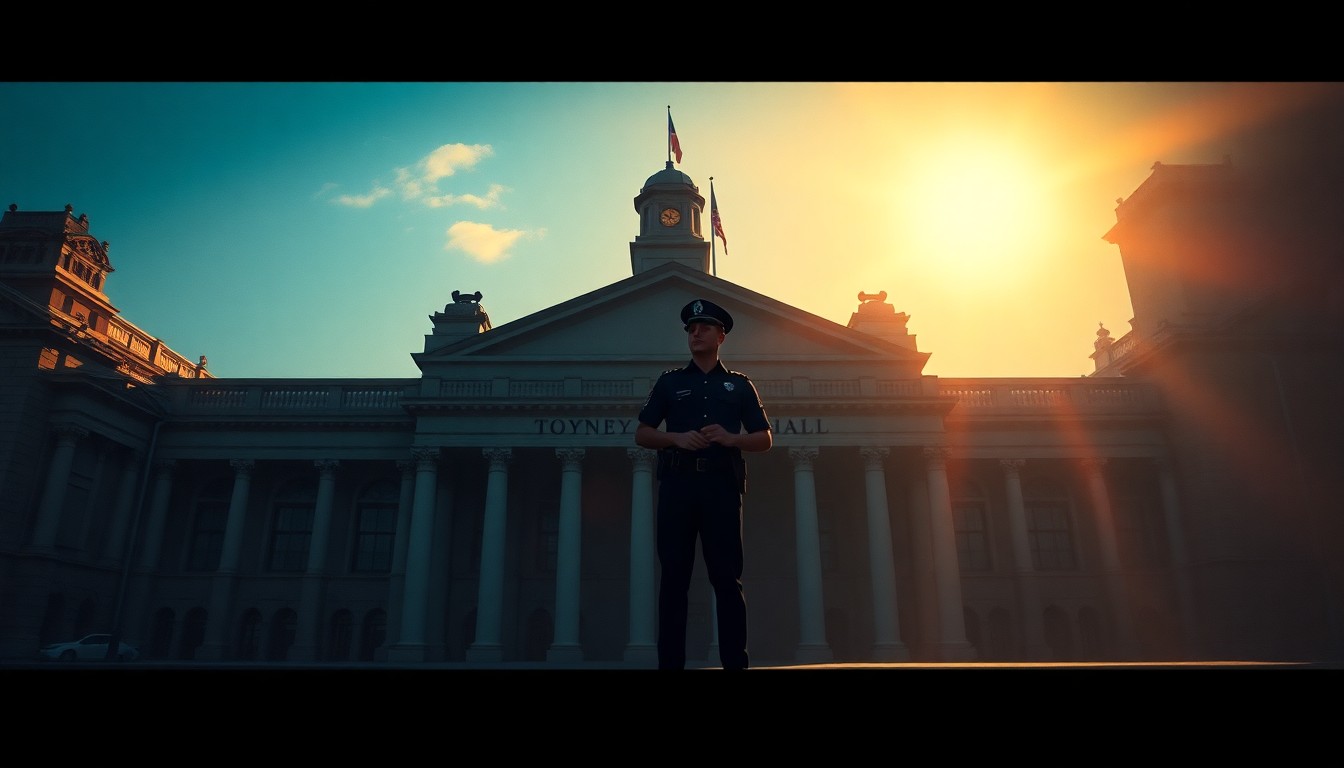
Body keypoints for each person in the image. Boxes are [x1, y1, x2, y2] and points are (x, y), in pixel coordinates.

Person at [635, 298, 773, 670]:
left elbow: (764, 437)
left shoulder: (739, 385)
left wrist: (733, 439)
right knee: (674, 580)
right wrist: (675, 438)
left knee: (727, 580)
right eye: (691, 329)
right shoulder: (670, 382)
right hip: (678, 487)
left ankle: (735, 664)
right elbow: (643, 433)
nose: (695, 334)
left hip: (721, 488)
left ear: (720, 336)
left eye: (704, 328)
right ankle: (670, 665)